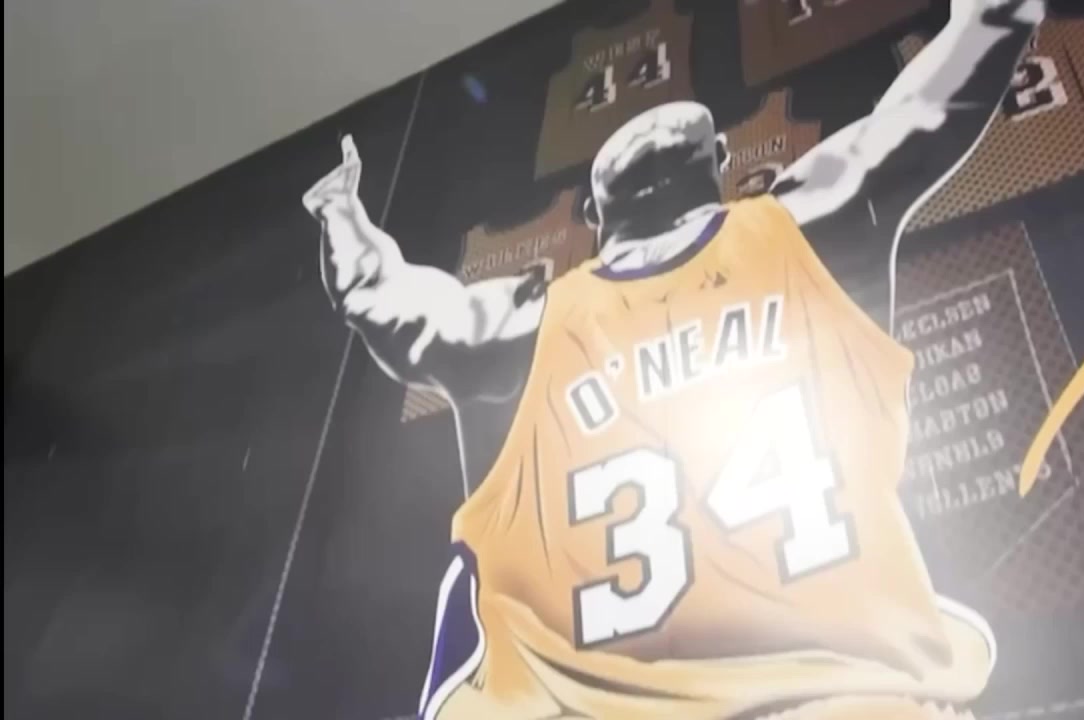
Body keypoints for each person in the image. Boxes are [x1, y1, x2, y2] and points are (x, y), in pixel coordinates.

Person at [302, 1, 1045, 717]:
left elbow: (379, 298)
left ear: (594, 216)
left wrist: (340, 212)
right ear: (718, 163)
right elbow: (927, 107)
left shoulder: (525, 323)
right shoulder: (800, 224)